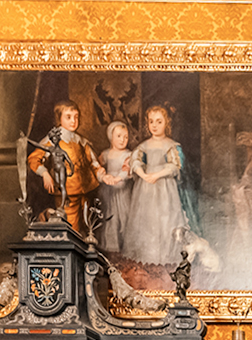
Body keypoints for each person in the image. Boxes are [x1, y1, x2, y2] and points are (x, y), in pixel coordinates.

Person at [121, 106, 194, 265]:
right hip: (146, 187)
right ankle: (148, 257)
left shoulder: (171, 145)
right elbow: (135, 161)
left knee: (164, 219)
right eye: (151, 121)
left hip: (165, 187)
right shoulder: (144, 145)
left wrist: (156, 175)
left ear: (166, 123)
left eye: (159, 122)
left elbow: (175, 166)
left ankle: (165, 257)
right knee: (147, 219)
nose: (154, 125)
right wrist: (143, 175)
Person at [27, 100, 103, 237]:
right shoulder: (52, 140)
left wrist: (102, 174)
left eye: (76, 117)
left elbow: (92, 161)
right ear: (59, 119)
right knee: (70, 224)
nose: (73, 121)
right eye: (68, 117)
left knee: (86, 222)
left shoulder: (80, 140)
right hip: (66, 192)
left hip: (84, 188)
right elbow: (34, 159)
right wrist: (44, 173)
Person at [95, 121, 134, 256]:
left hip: (123, 192)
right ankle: (111, 248)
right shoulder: (105, 154)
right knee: (109, 217)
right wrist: (103, 177)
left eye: (126, 137)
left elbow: (126, 170)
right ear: (111, 137)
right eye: (119, 136)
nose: (123, 140)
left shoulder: (128, 155)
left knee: (124, 217)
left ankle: (126, 249)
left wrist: (117, 179)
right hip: (108, 191)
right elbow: (97, 168)